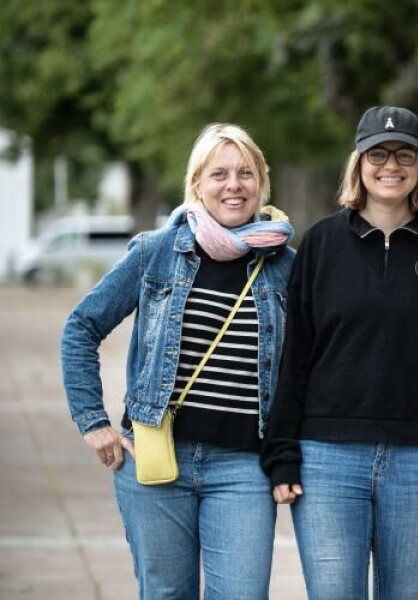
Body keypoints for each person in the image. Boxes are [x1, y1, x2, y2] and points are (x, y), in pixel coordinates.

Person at [260, 105, 418, 600]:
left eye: (405, 154)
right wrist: (281, 454)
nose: (391, 165)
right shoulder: (321, 244)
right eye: (378, 153)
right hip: (327, 458)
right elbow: (293, 356)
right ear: (358, 163)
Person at [61, 123, 296, 599]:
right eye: (219, 174)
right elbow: (80, 328)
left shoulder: (287, 264)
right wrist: (93, 421)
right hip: (155, 461)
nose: (234, 185)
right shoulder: (157, 251)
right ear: (196, 185)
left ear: (261, 183)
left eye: (245, 173)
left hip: (245, 467)